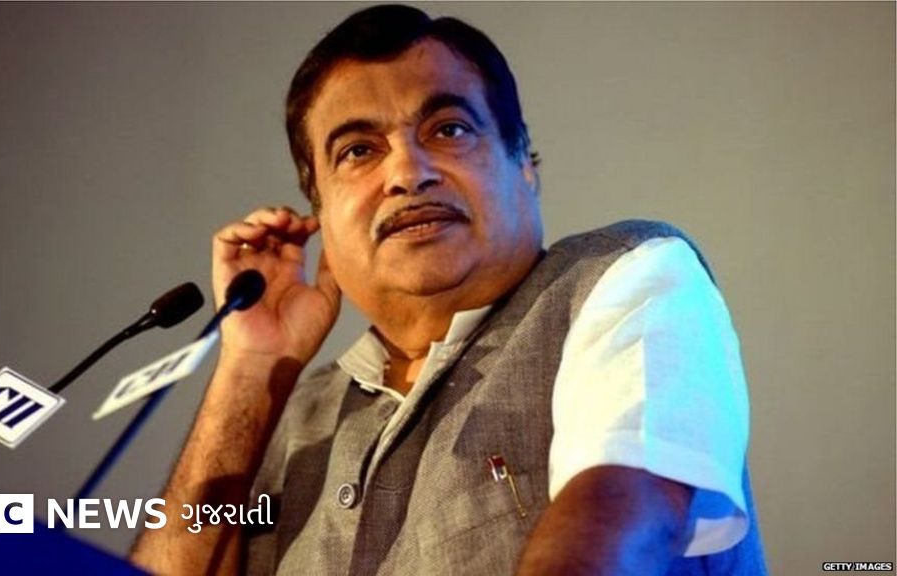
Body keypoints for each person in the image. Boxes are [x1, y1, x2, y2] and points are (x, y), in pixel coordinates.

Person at [131, 5, 767, 575]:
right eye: (358, 150)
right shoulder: (290, 421)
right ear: (319, 211)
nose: (408, 173)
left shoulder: (625, 277)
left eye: (449, 130)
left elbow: (623, 519)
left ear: (525, 164)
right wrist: (251, 368)